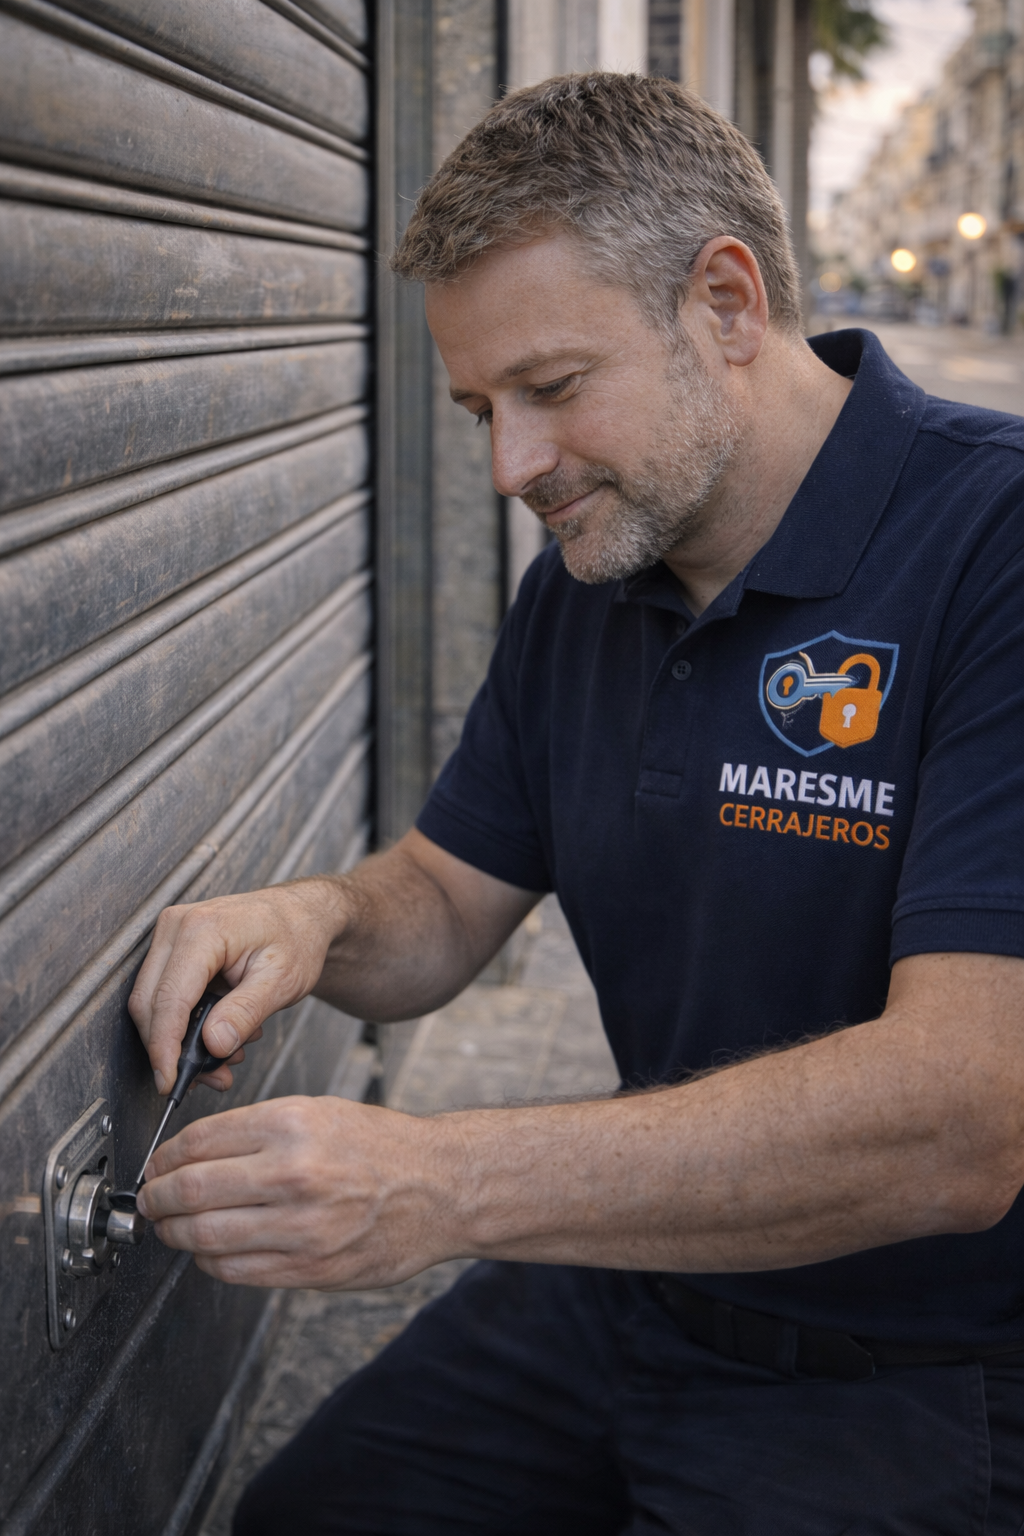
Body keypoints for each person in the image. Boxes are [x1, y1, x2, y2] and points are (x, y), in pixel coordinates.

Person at [129, 75, 1024, 1533]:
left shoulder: (993, 545)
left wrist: (440, 1184)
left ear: (727, 304)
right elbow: (442, 902)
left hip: (929, 1369)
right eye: (482, 408)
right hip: (638, 1285)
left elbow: (967, 1115)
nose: (508, 469)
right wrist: (311, 914)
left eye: (550, 389)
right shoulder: (592, 576)